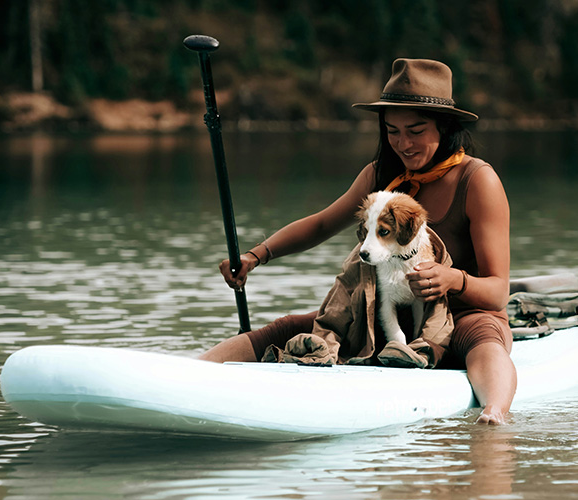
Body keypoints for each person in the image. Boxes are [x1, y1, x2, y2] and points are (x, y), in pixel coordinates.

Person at [199, 58, 517, 425]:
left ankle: (495, 414)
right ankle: (192, 374)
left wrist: (452, 280)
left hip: (461, 313)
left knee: (484, 338)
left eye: (415, 130)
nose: (403, 143)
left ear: (445, 128)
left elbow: (496, 292)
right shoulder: (381, 177)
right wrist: (256, 255)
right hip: (381, 313)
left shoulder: (477, 181)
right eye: (392, 131)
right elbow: (321, 224)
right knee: (289, 326)